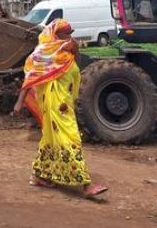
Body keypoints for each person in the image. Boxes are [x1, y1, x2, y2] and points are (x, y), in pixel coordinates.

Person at [13, 19, 107, 198]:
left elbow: (76, 68)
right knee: (70, 140)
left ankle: (39, 175)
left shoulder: (66, 52)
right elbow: (30, 78)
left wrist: (75, 49)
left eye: (71, 33)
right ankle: (85, 184)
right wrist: (20, 102)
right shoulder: (42, 54)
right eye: (66, 34)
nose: (70, 37)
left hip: (65, 103)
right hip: (54, 106)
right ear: (55, 34)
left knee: (50, 139)